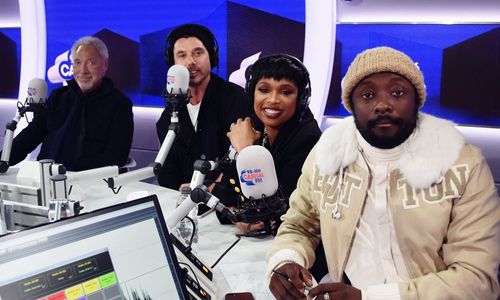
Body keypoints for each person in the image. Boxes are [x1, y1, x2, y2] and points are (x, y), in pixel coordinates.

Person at [267, 46, 500, 300]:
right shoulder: (327, 154)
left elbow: (478, 279)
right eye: (367, 94)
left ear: (416, 101)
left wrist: (369, 298)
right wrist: (284, 260)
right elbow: (299, 226)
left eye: (397, 92)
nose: (383, 104)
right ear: (351, 106)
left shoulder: (462, 164)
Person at [212, 54, 322, 236]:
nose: (272, 99)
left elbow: (272, 215)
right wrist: (236, 216)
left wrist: (246, 152)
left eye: (286, 92)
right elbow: (222, 195)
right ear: (251, 93)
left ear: (301, 98)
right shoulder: (252, 125)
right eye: (264, 90)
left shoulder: (307, 139)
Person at [2, 36, 134, 171]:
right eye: (77, 62)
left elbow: (117, 156)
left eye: (91, 63)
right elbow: (29, 137)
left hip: (89, 184)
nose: (83, 70)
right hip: (44, 178)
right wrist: (3, 159)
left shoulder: (120, 104)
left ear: (105, 65)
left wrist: (67, 171)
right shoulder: (58, 96)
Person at [156, 23, 248, 190]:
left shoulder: (236, 98)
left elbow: (243, 158)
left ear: (211, 57)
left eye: (198, 53)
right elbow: (167, 172)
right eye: (181, 55)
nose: (190, 62)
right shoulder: (169, 115)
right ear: (173, 63)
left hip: (228, 200)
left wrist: (216, 188)